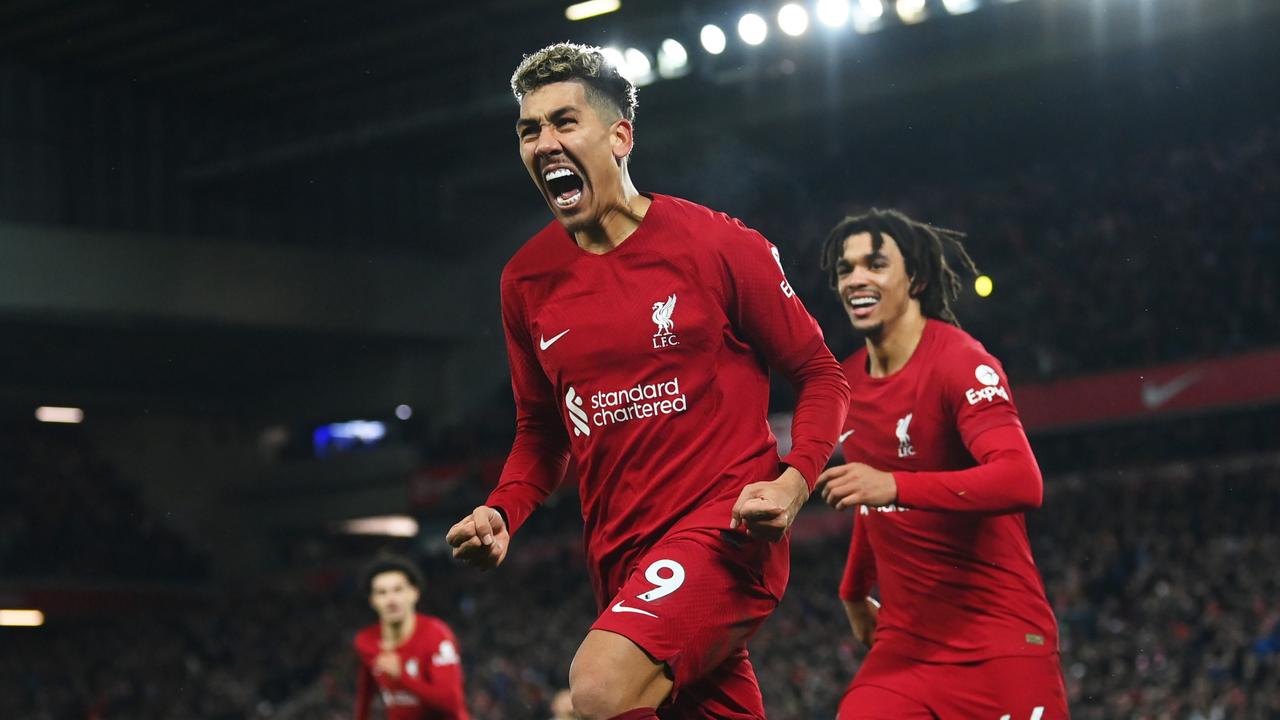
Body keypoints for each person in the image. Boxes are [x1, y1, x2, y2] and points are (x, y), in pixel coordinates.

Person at [444, 42, 849, 720]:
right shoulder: (525, 280)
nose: (544, 142)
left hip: (725, 532)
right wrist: (502, 511)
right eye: (529, 130)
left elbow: (820, 374)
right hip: (619, 556)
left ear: (620, 135)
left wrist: (794, 479)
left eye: (563, 122)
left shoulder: (718, 246)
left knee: (598, 687)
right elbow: (542, 433)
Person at [815, 208, 1069, 719]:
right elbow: (871, 496)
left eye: (875, 264)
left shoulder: (961, 363)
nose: (856, 278)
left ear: (917, 278)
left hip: (999, 642)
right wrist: (853, 589)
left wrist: (895, 485)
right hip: (907, 649)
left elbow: (1022, 479)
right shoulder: (847, 383)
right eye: (846, 269)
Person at [353, 555, 469, 720]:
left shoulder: (436, 635)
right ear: (372, 600)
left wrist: (401, 677)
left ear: (414, 593)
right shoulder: (366, 641)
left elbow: (451, 703)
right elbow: (365, 692)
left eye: (398, 590)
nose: (391, 599)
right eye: (382, 592)